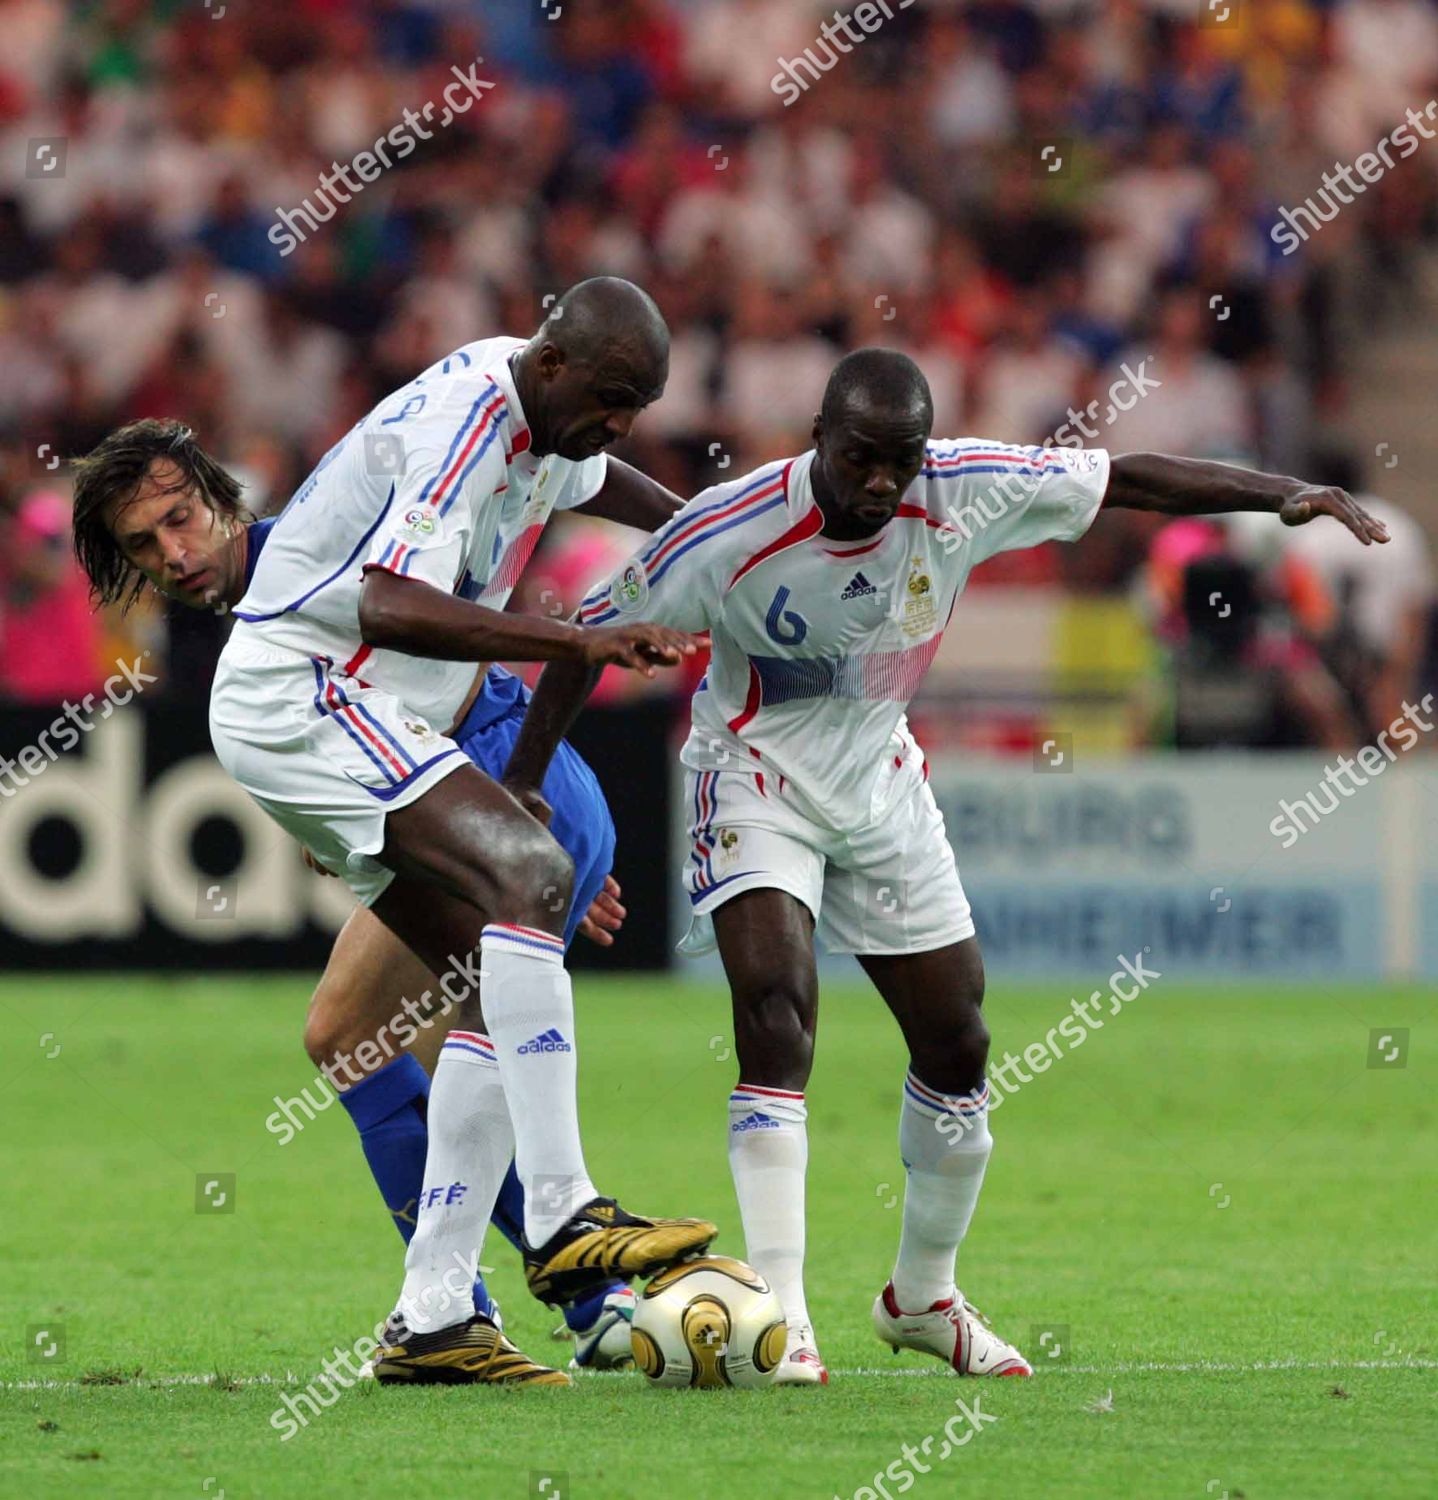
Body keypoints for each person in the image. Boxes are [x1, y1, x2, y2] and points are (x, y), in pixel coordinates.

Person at [504, 347, 1387, 1385]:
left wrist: (1282, 492)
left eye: (901, 460)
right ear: (821, 443)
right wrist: (525, 789)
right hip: (753, 777)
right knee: (778, 1011)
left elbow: (1129, 479)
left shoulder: (964, 484)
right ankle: (782, 1318)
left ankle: (921, 1296)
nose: (884, 483)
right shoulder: (725, 530)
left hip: (882, 782)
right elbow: (581, 641)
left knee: (958, 1043)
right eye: (862, 460)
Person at [70, 278, 714, 1387]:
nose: (173, 553)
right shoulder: (482, 421)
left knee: (434, 985)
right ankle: (458, 1308)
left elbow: (407, 613)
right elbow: (396, 639)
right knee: (410, 1016)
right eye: (146, 543)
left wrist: (710, 533)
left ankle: (566, 1264)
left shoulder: (450, 453)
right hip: (479, 761)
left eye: (181, 518)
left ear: (226, 496)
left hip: (513, 756)